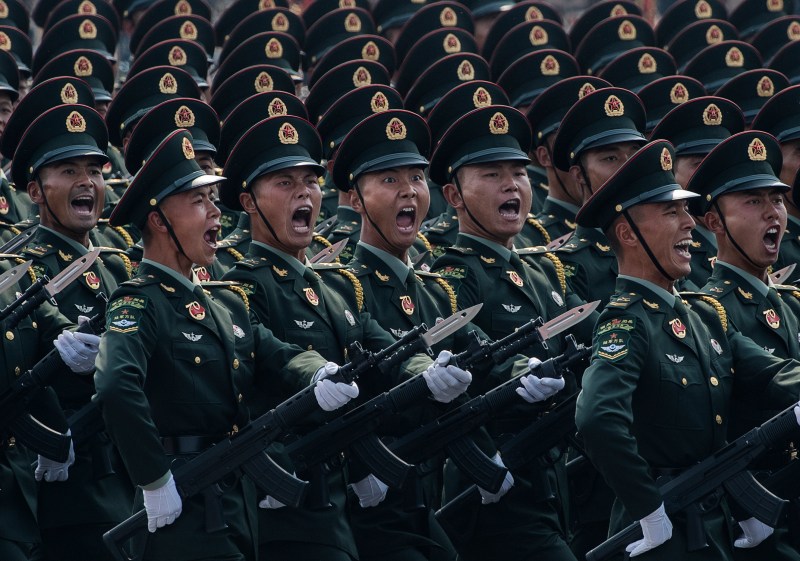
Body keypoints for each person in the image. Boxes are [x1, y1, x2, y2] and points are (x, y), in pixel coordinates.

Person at [93, 129, 359, 561]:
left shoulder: (224, 301)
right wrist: (154, 480)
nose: (216, 212)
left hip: (233, 502)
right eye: (199, 202)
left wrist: (319, 372)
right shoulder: (140, 301)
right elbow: (114, 385)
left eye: (213, 199)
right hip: (181, 504)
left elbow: (275, 352)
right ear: (159, 220)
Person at [218, 114, 472, 561]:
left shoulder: (336, 288)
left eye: (310, 182)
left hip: (340, 495)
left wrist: (428, 370)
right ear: (249, 202)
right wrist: (316, 372)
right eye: (283, 182)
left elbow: (387, 351)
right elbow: (272, 351)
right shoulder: (240, 287)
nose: (303, 193)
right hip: (285, 499)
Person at [331, 107, 561, 561]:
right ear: (355, 199)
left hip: (425, 491)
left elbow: (482, 352)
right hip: (367, 499)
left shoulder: (434, 292)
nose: (409, 192)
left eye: (416, 178)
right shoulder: (344, 288)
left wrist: (524, 370)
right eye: (390, 181)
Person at [574, 139, 800, 560]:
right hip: (659, 532)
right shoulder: (627, 321)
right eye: (670, 212)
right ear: (628, 233)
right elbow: (597, 419)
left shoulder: (703, 314)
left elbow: (769, 372)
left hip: (711, 519)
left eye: (685, 210)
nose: (689, 224)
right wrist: (647, 507)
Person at [429, 104, 595, 561]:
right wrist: (525, 368)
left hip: (549, 477)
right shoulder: (452, 275)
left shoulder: (544, 273)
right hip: (494, 480)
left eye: (519, 173)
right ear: (454, 195)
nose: (511, 184)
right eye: (491, 174)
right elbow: (471, 354)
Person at [2, 101, 134, 561]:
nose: (87, 182)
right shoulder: (22, 271)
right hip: (67, 492)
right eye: (69, 170)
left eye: (95, 171)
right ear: (36, 191)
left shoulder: (122, 266)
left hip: (131, 477)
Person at [688, 130, 800, 560]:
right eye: (753, 202)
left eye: (776, 200)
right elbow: (772, 376)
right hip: (752, 511)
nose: (772, 213)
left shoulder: (791, 302)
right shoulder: (707, 311)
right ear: (714, 221)